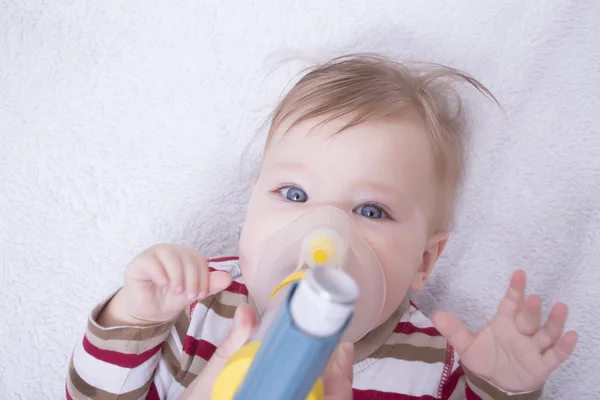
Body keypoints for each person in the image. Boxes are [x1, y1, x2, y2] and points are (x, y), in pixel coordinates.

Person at [66, 54, 578, 400]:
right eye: (294, 195)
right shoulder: (200, 307)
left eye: (372, 211)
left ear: (425, 260)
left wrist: (497, 386)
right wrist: (133, 321)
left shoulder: (433, 362)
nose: (323, 235)